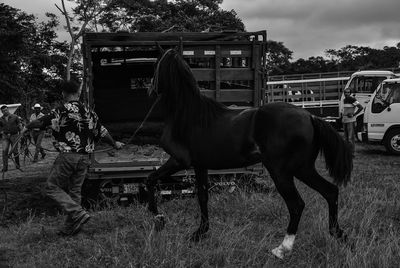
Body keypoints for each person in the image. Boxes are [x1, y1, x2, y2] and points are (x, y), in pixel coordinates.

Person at [23, 80, 124, 236]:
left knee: (51, 187)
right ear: (78, 92)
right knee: (75, 191)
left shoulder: (62, 110)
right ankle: (71, 228)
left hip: (68, 156)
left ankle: (77, 212)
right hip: (85, 158)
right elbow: (102, 131)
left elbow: (40, 122)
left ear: (64, 93)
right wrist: (115, 143)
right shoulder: (90, 111)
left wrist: (27, 127)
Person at [0, 105, 23, 172]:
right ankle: (5, 168)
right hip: (5, 136)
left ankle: (17, 165)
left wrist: (21, 132)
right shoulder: (1, 119)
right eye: (3, 111)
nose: (5, 111)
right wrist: (1, 132)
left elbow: (19, 125)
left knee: (15, 151)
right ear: (2, 111)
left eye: (6, 110)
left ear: (8, 110)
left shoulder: (15, 117)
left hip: (14, 135)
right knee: (4, 151)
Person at [342, 88, 363, 155]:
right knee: (345, 138)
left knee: (350, 138)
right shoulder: (344, 100)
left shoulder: (352, 99)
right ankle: (347, 152)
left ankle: (352, 153)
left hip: (350, 121)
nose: (346, 93)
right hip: (345, 120)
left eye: (348, 92)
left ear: (350, 93)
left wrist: (354, 114)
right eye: (345, 92)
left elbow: (360, 107)